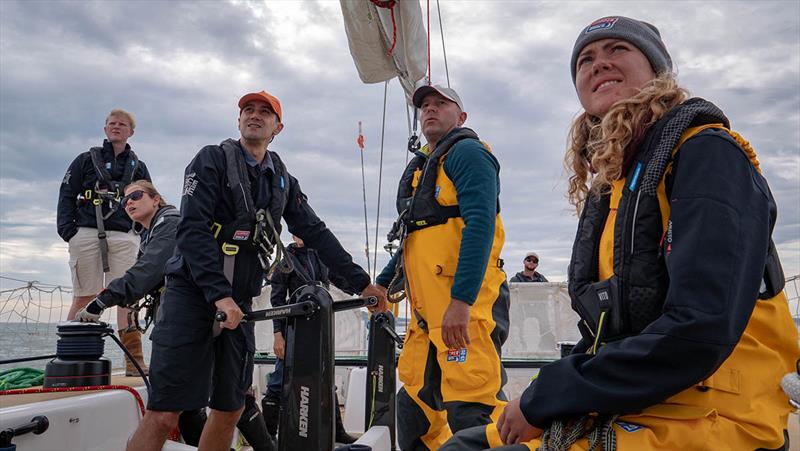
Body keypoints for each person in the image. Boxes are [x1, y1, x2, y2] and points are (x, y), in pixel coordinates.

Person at [443, 16, 798, 450]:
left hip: (719, 410)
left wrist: (548, 397)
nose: (599, 63)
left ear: (656, 70)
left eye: (618, 50)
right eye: (586, 59)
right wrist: (545, 397)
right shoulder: (614, 189)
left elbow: (700, 330)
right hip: (644, 401)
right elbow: (607, 331)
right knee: (466, 444)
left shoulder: (706, 154)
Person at [125, 90, 385, 451]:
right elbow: (192, 230)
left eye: (265, 112)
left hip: (240, 306)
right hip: (191, 298)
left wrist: (362, 284)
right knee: (166, 413)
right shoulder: (209, 161)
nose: (255, 115)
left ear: (278, 127)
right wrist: (220, 294)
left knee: (230, 409)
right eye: (248, 109)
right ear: (239, 119)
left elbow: (315, 232)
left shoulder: (281, 179)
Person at [375, 84, 510, 450]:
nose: (430, 110)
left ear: (461, 117)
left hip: (464, 308)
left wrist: (462, 301)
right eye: (425, 106)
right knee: (414, 410)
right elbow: (413, 236)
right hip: (426, 315)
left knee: (473, 407)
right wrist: (381, 286)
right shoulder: (423, 169)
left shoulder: (468, 154)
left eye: (441, 104)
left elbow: (480, 225)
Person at [57, 108, 151, 376]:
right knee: (85, 294)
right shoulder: (85, 160)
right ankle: (72, 361)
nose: (116, 127)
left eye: (122, 124)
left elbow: (149, 201)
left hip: (124, 235)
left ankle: (134, 361)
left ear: (131, 131)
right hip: (85, 231)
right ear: (105, 128)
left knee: (128, 298)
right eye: (112, 123)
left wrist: (141, 233)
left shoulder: (138, 167)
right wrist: (68, 231)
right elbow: (66, 193)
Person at [260, 235, 356, 444]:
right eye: (296, 231)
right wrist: (278, 335)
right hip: (292, 331)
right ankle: (268, 437)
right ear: (293, 234)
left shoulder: (319, 256)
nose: (300, 234)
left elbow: (338, 279)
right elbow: (277, 301)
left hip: (318, 330)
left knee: (325, 379)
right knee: (278, 382)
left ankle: (337, 431)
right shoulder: (285, 260)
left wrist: (364, 289)